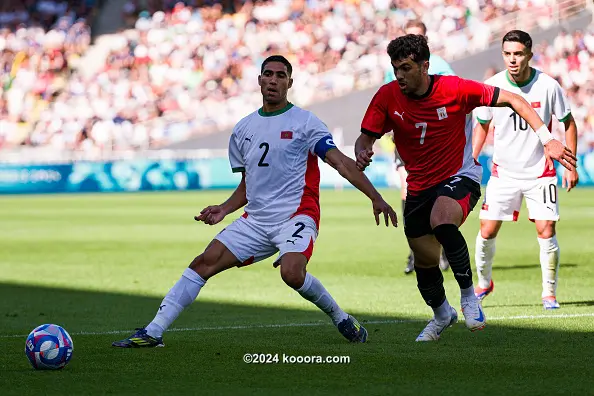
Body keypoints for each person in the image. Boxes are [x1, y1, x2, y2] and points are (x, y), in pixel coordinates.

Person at [112, 55, 398, 348]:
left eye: (280, 75)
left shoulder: (305, 122)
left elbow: (340, 163)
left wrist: (375, 197)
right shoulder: (243, 129)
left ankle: (341, 318)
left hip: (297, 215)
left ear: (290, 82)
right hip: (257, 220)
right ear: (260, 80)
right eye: (268, 74)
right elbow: (247, 185)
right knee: (203, 263)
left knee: (291, 272)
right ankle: (153, 332)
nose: (273, 80)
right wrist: (224, 209)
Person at [354, 35, 576, 342]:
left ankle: (470, 297)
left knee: (442, 220)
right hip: (418, 185)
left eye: (406, 67)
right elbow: (365, 137)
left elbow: (515, 99)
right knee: (425, 262)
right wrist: (362, 151)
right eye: (395, 68)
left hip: (460, 176)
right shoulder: (387, 95)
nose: (400, 75)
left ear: (425, 66)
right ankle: (442, 313)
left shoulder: (455, 88)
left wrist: (547, 137)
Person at [472, 30, 579, 310]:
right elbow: (482, 125)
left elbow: (568, 123)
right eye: (507, 54)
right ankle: (483, 283)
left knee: (546, 229)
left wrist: (570, 165)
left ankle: (549, 293)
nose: (512, 59)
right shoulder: (492, 85)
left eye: (518, 54)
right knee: (487, 230)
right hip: (503, 172)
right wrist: (471, 161)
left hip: (540, 173)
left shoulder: (548, 86)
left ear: (530, 54)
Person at [384, 20, 455, 274]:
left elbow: (453, 98)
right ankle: (416, 252)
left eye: (420, 37)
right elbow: (387, 99)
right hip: (406, 140)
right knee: (408, 192)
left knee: (440, 197)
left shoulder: (441, 66)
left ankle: (445, 251)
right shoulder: (394, 67)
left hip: (435, 143)